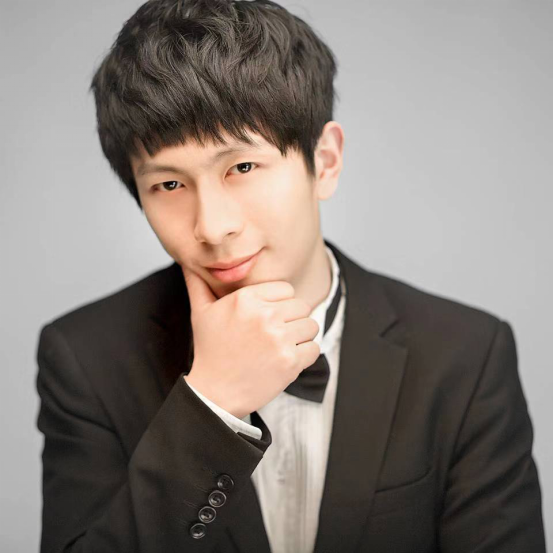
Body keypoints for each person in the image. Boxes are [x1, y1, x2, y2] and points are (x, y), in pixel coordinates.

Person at [35, 0, 546, 551]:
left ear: (324, 161)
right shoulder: (86, 358)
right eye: (169, 185)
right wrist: (211, 404)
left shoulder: (466, 355)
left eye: (242, 167)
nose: (213, 227)